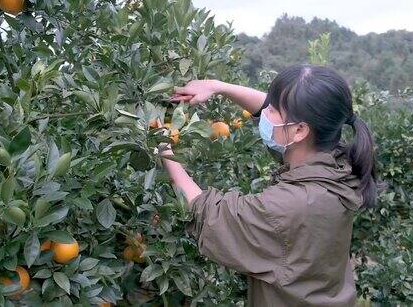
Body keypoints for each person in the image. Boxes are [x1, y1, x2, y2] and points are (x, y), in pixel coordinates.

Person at [158, 64, 382, 306]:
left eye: (273, 110)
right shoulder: (340, 166)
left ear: (299, 130)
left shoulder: (287, 207)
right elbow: (281, 115)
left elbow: (208, 213)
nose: (265, 112)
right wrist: (217, 87)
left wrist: (162, 148)